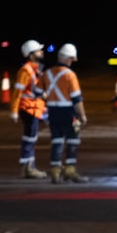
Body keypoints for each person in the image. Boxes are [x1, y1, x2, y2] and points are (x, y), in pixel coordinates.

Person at [39, 43, 89, 183]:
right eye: (72, 59)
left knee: (57, 141)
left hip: (53, 113)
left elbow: (37, 92)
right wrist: (83, 116)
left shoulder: (47, 73)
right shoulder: (70, 75)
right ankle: (69, 171)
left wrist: (48, 99)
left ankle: (55, 172)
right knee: (73, 140)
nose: (72, 62)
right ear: (68, 58)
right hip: (68, 113)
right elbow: (77, 99)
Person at [8, 39, 49, 179]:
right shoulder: (26, 71)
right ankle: (28, 168)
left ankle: (28, 167)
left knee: (31, 139)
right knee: (29, 139)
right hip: (28, 109)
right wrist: (14, 111)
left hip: (35, 109)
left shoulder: (36, 70)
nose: (41, 52)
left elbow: (34, 91)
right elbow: (17, 92)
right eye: (38, 50)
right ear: (31, 55)